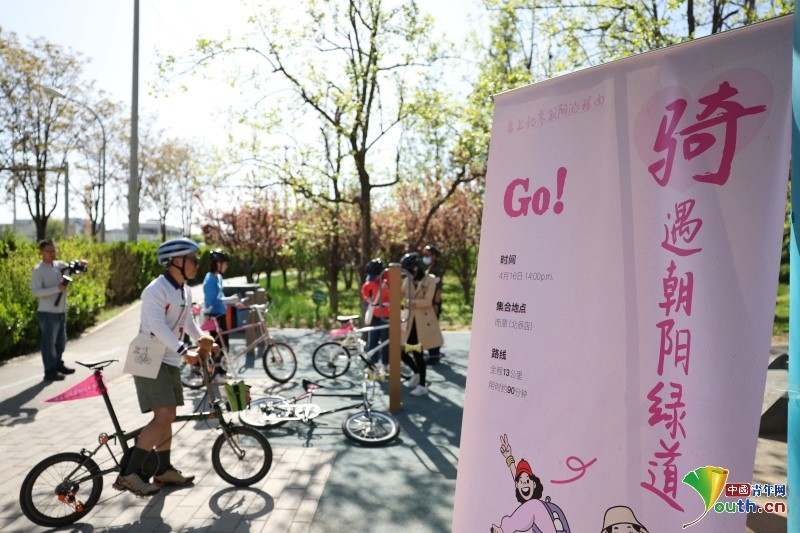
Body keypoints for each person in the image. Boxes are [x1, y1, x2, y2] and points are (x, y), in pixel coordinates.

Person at [115, 237, 208, 497]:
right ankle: (129, 475)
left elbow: (188, 322)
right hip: (147, 354)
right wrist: (183, 349)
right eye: (193, 260)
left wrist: (204, 342)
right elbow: (157, 326)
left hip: (168, 358)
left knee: (170, 415)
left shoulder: (185, 290)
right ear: (177, 262)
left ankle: (163, 470)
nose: (197, 264)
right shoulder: (156, 290)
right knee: (163, 415)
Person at [29, 239, 87, 381]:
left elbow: (75, 270)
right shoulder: (38, 270)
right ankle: (49, 372)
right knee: (48, 344)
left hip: (60, 312)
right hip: (47, 313)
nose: (52, 253)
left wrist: (82, 265)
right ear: (41, 252)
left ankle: (57, 364)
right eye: (48, 251)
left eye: (53, 250)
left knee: (61, 341)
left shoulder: (60, 265)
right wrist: (57, 289)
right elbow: (35, 292)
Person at [399, 252, 444, 396]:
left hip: (422, 323)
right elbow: (399, 294)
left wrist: (410, 302)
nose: (408, 273)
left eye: (409, 269)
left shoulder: (429, 279)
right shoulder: (408, 280)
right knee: (401, 351)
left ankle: (422, 385)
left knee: (418, 352)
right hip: (409, 322)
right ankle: (417, 372)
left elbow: (427, 301)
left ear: (416, 267)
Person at [203, 249, 245, 383]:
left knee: (225, 344)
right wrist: (231, 300)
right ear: (217, 263)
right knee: (218, 345)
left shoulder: (219, 278)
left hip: (221, 314)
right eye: (224, 264)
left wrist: (233, 303)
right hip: (214, 316)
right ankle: (216, 374)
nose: (226, 266)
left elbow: (220, 297)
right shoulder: (209, 279)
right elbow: (212, 301)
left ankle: (222, 371)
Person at [361, 258, 390, 368]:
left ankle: (386, 364)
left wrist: (386, 287)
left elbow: (395, 294)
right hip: (375, 315)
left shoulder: (388, 279)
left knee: (385, 341)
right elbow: (365, 291)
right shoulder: (370, 281)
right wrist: (369, 300)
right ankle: (372, 364)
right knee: (372, 340)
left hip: (386, 315)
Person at [422, 244, 444, 363]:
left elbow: (438, 288)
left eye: (428, 255)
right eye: (425, 254)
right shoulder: (429, 269)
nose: (426, 257)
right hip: (427, 303)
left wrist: (436, 303)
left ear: (435, 256)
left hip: (433, 303)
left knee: (432, 328)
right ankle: (432, 352)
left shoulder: (436, 270)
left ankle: (434, 355)